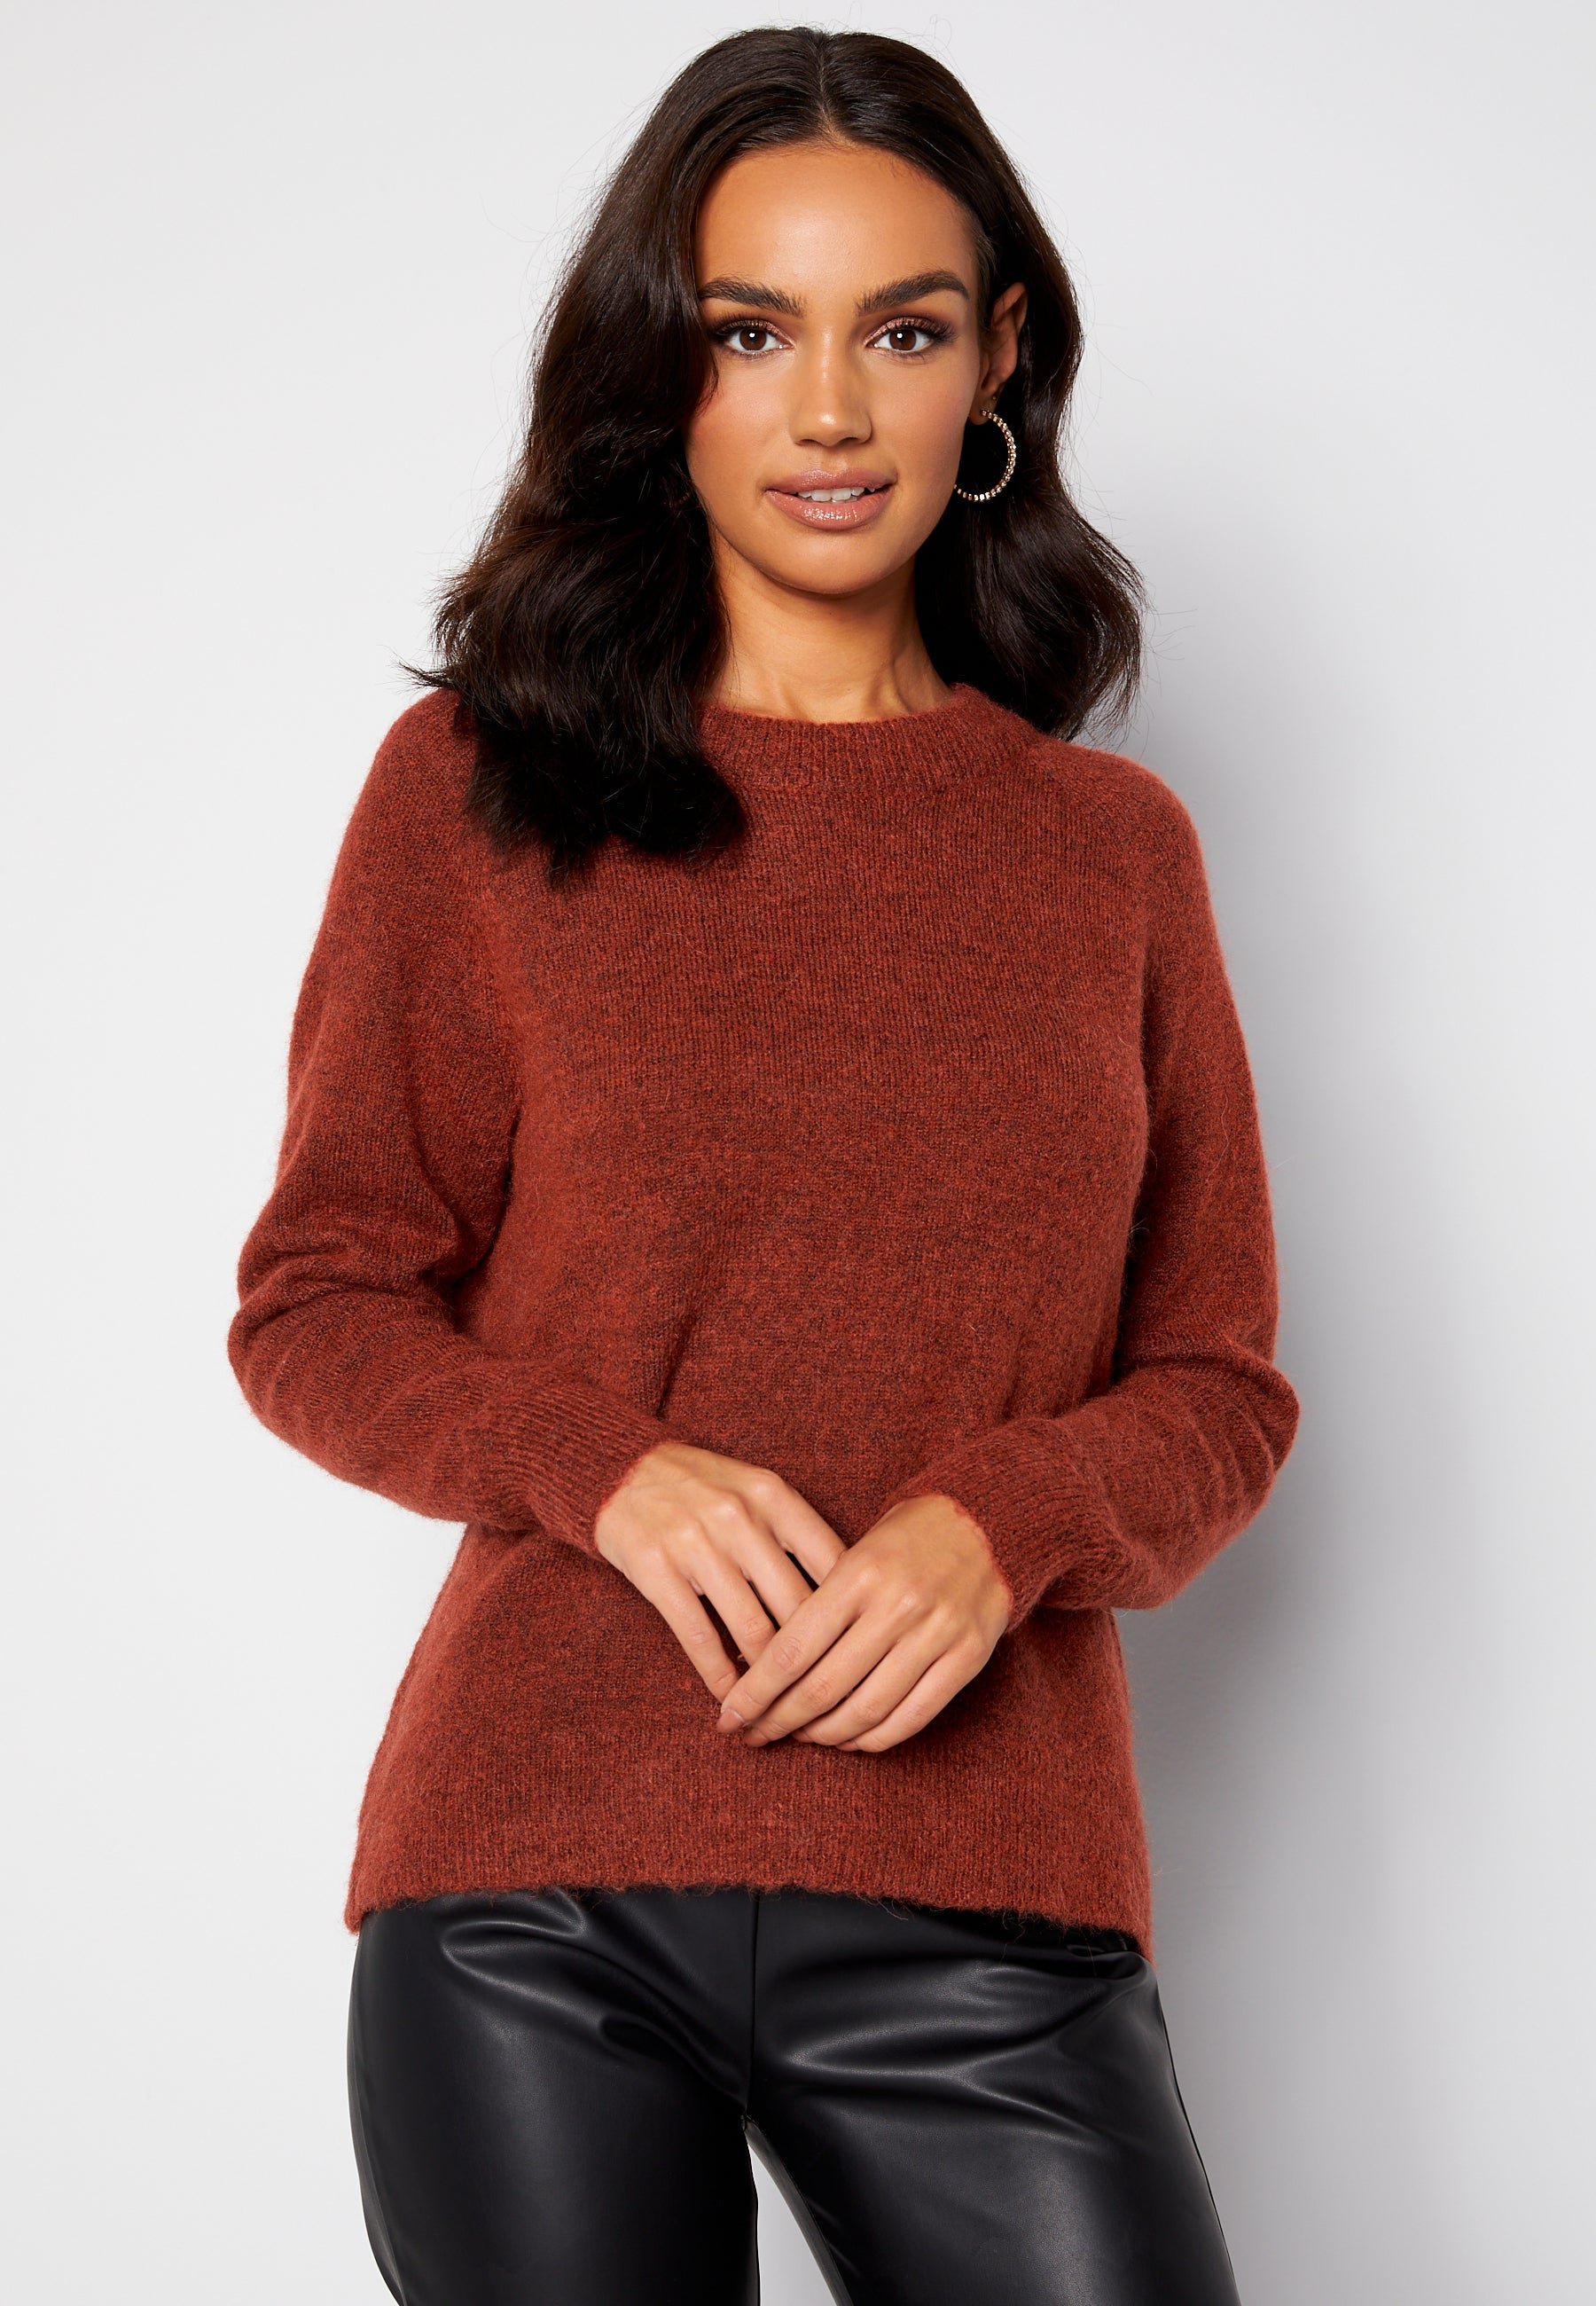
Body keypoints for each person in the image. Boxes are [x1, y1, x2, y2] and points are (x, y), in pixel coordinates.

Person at [227, 26, 1301, 2305]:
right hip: (531, 1884)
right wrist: (606, 1469)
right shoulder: (478, 791)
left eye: (899, 332)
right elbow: (317, 1300)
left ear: (998, 360)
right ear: (664, 371)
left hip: (992, 1899)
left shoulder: (1106, 855)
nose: (828, 410)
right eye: (750, 331)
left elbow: (1220, 1386)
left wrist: (1003, 1522)